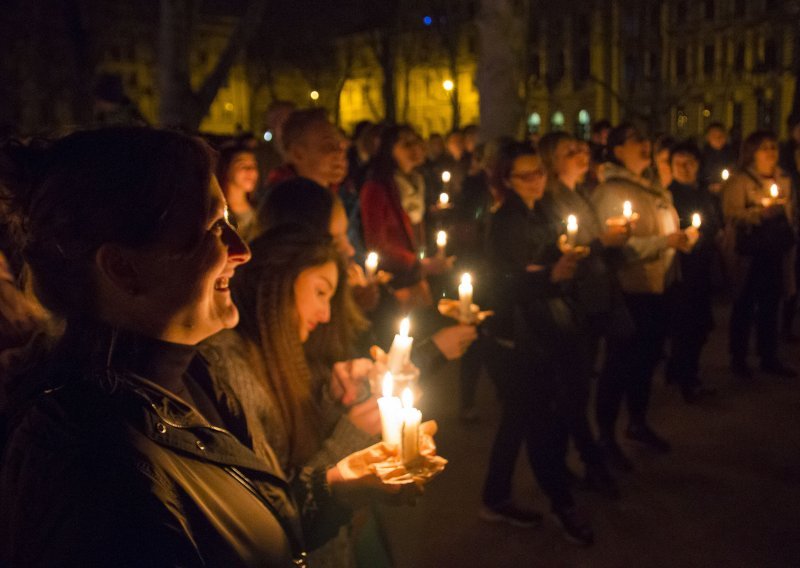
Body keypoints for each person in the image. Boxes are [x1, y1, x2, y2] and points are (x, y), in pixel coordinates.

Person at [0, 127, 308, 566]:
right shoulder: (92, 470)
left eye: (231, 223)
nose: (242, 251)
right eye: (212, 228)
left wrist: (335, 487)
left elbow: (236, 521)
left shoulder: (197, 370)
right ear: (123, 268)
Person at [200, 226, 400, 566]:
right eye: (320, 292)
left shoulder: (272, 356)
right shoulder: (229, 367)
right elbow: (276, 518)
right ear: (279, 279)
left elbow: (294, 448)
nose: (324, 315)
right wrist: (351, 433)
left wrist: (334, 403)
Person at [479, 141, 594, 546]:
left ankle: (495, 496)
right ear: (507, 180)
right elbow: (503, 283)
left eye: (539, 172)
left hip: (543, 325)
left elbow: (546, 262)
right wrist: (548, 274)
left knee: (518, 417)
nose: (537, 180)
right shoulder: (506, 221)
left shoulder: (541, 210)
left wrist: (559, 264)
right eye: (526, 175)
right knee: (540, 420)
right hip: (520, 335)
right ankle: (562, 504)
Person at [592, 123, 689, 467]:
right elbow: (618, 247)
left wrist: (681, 240)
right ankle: (605, 434)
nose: (644, 145)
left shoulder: (650, 187)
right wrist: (666, 242)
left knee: (646, 361)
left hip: (658, 288)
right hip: (630, 290)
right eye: (635, 140)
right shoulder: (609, 192)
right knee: (619, 364)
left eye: (645, 139)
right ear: (616, 149)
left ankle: (637, 422)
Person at [537, 132, 625, 498]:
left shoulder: (582, 193)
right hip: (576, 302)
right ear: (551, 162)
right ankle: (582, 462)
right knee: (571, 390)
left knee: (579, 386)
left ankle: (576, 459)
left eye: (581, 148)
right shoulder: (549, 201)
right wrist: (602, 242)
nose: (580, 154)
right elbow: (562, 250)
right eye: (569, 151)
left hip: (597, 296)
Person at [721, 130, 797, 378]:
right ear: (753, 151)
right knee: (745, 303)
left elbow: (791, 212)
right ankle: (739, 358)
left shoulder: (784, 179)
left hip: (775, 251)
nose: (770, 152)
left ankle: (769, 356)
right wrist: (757, 214)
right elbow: (730, 213)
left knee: (771, 304)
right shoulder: (741, 180)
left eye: (773, 146)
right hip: (751, 253)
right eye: (764, 147)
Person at [360, 125, 453, 312]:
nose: (416, 149)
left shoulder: (418, 181)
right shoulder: (376, 189)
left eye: (418, 142)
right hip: (396, 282)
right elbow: (376, 244)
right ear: (389, 149)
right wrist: (419, 264)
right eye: (407, 144)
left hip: (417, 277)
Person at [665, 142, 722, 402]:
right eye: (680, 164)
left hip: (702, 268)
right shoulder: (668, 196)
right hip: (682, 270)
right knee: (687, 326)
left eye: (690, 163)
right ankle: (687, 378)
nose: (686, 168)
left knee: (698, 325)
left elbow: (712, 224)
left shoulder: (702, 194)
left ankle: (678, 371)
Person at [266, 108, 349, 190]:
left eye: (342, 146)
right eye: (328, 146)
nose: (340, 154)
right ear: (298, 153)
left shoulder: (343, 194)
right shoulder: (282, 199)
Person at [216, 143, 260, 241]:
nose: (251, 170)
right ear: (226, 169)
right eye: (242, 165)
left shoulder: (260, 212)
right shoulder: (216, 215)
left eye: (253, 165)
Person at [700, 122, 737, 191]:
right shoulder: (701, 156)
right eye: (714, 136)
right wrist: (708, 186)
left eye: (721, 135)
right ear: (708, 137)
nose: (718, 138)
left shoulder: (733, 155)